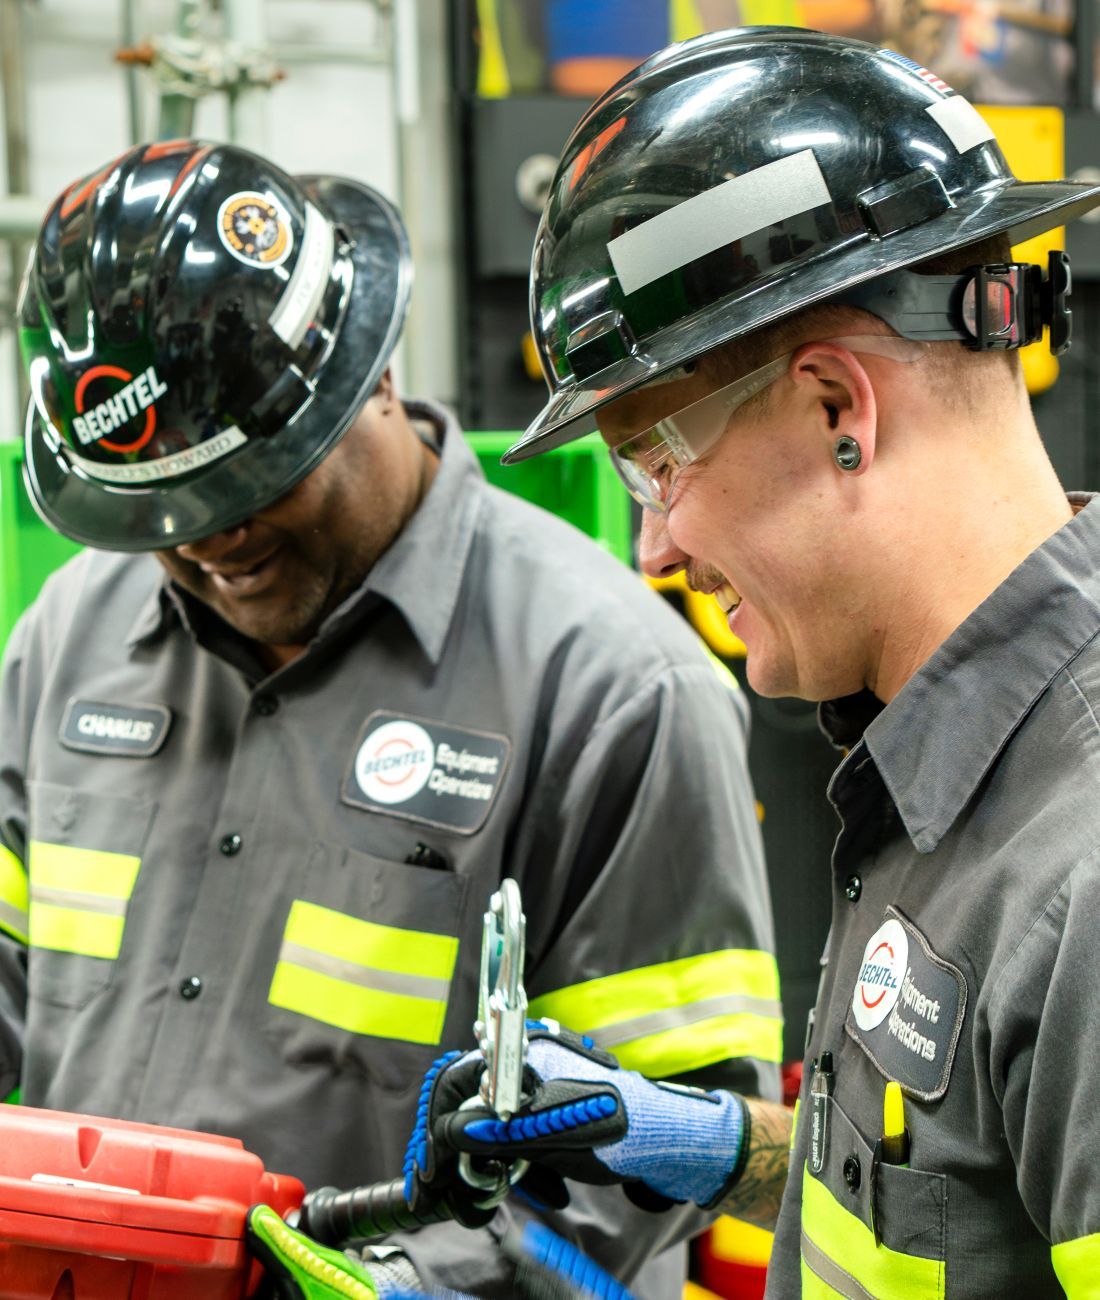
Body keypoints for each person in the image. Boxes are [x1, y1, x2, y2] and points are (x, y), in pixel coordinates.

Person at [0, 139, 780, 1297]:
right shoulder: (70, 637)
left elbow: (656, 1165)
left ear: (367, 371)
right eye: (163, 511)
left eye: (249, 485)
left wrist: (384, 1285)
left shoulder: (614, 687)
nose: (208, 542)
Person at [408, 27, 1100, 1299]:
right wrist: (710, 1145)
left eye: (653, 465)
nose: (655, 546)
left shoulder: (1076, 877)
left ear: (839, 408)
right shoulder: (939, 765)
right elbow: (961, 1190)